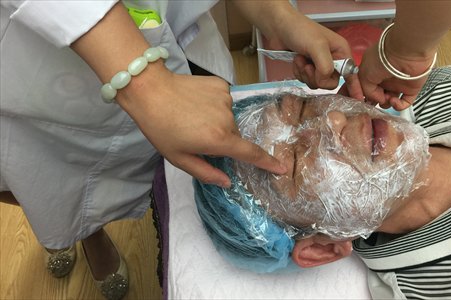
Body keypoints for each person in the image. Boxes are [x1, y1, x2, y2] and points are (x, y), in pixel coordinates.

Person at [0, 1, 360, 299]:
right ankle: (87, 233)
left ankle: (84, 227)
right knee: (44, 181)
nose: (333, 123)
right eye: (299, 111)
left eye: (302, 106)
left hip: (167, 33)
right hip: (30, 65)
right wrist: (145, 84)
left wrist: (279, 16)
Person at [192, 66, 451, 298]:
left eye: (302, 108)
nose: (334, 121)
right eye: (298, 162)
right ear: (321, 248)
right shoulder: (450, 291)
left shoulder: (443, 87)